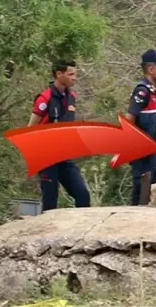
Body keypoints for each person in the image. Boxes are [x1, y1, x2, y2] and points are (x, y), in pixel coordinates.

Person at [28, 59, 91, 211]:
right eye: (71, 74)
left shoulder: (72, 97)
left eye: (75, 74)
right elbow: (30, 129)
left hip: (64, 156)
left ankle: (80, 230)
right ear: (59, 74)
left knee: (82, 194)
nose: (74, 78)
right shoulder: (45, 98)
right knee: (50, 201)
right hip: (46, 157)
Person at [126, 49, 156, 205]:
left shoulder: (153, 92)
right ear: (151, 69)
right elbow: (129, 119)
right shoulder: (142, 91)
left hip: (152, 148)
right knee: (141, 188)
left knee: (151, 186)